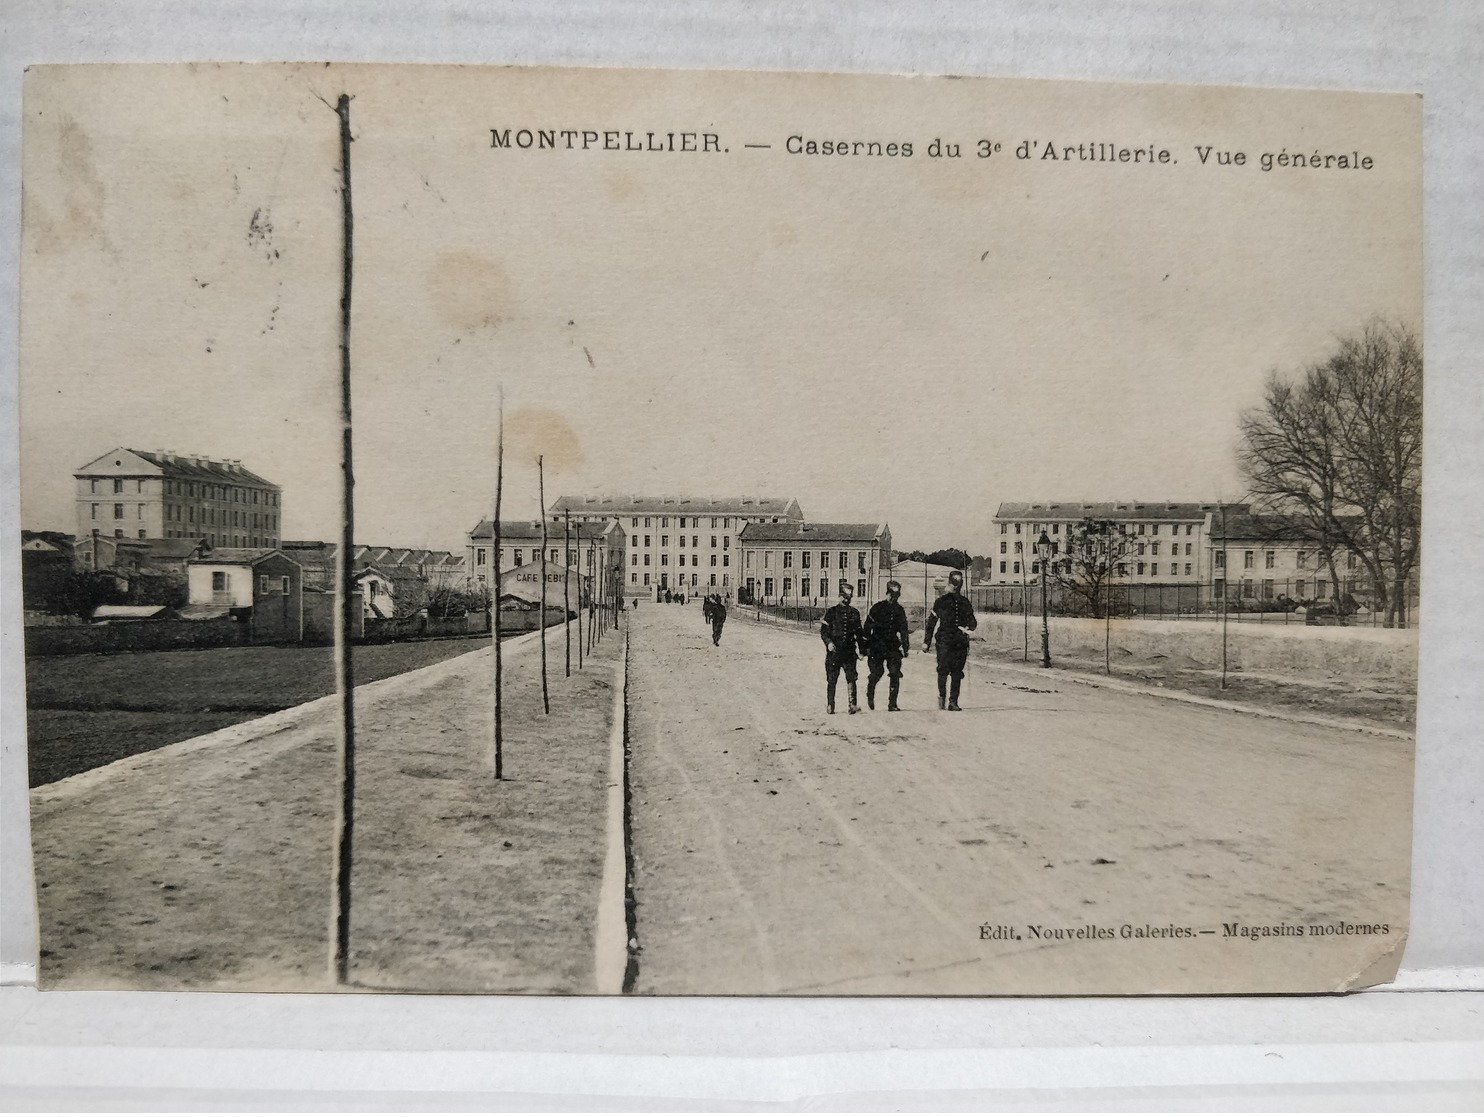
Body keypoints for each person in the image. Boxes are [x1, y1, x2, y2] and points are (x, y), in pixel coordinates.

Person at [923, 569, 978, 710]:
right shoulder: (940, 602)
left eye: (959, 584)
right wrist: (926, 642)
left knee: (957, 672)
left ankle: (953, 702)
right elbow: (931, 623)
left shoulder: (965, 602)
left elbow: (973, 622)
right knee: (942, 670)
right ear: (949, 583)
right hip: (944, 641)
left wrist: (968, 627)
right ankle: (942, 697)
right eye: (954, 583)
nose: (956, 586)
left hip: (960, 642)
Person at [862, 579, 911, 711]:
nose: (893, 599)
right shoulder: (877, 608)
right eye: (892, 596)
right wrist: (865, 646)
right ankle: (870, 692)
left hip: (892, 646)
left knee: (895, 672)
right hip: (876, 645)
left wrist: (905, 647)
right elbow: (867, 628)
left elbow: (903, 629)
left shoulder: (899, 610)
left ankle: (892, 704)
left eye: (896, 597)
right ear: (887, 594)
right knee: (877, 672)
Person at [819, 582, 865, 715]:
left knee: (851, 678)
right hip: (834, 652)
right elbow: (824, 631)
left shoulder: (854, 613)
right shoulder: (831, 612)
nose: (846, 599)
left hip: (849, 652)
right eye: (844, 596)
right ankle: (830, 704)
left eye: (849, 597)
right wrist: (828, 643)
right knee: (832, 678)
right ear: (839, 596)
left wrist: (861, 651)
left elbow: (859, 633)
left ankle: (852, 704)